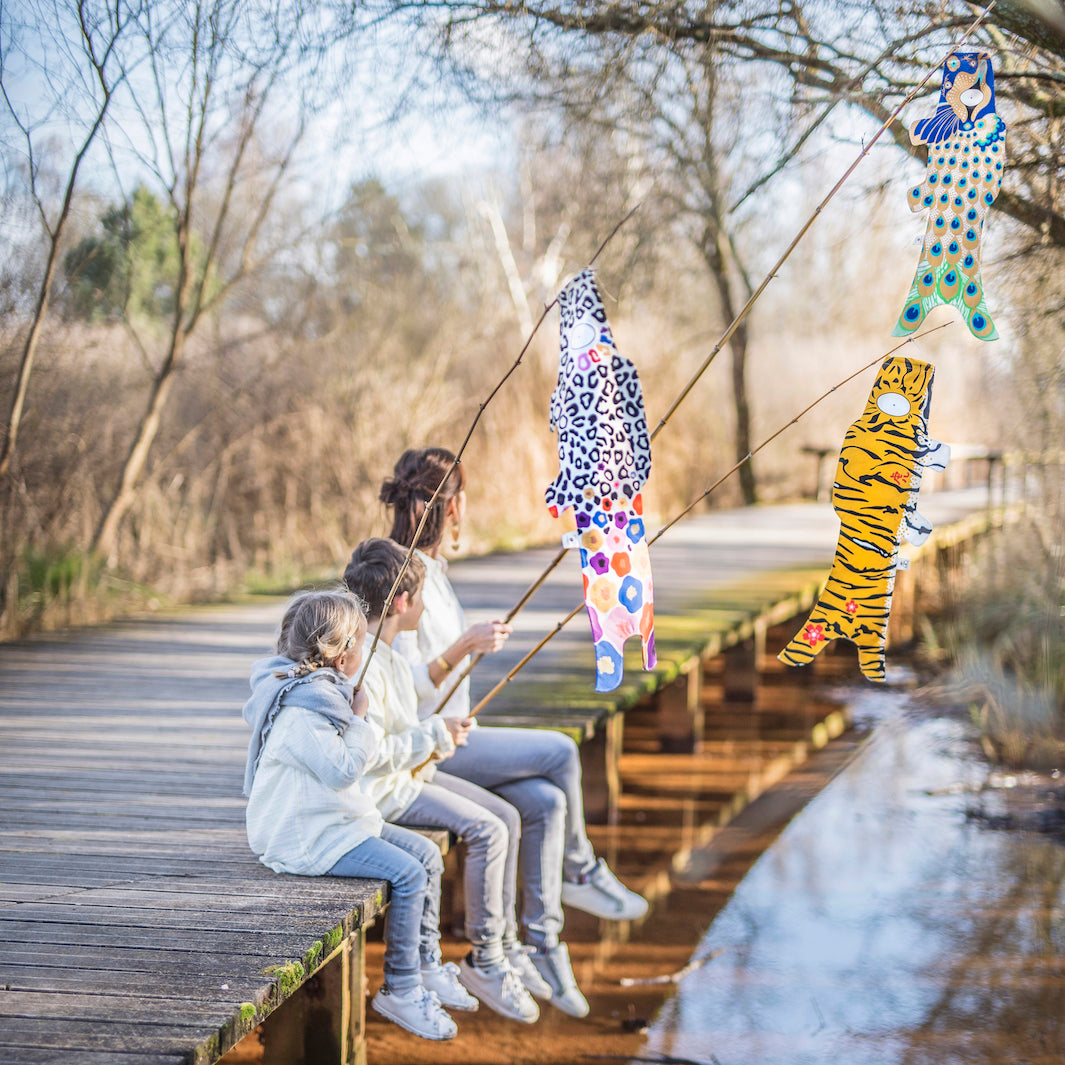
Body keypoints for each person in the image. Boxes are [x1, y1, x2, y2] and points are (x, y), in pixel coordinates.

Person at [379, 446, 649, 1018]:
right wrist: (464, 648)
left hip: (451, 732)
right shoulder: (401, 574)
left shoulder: (434, 572)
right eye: (461, 501)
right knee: (560, 750)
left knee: (547, 801)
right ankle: (578, 870)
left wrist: (471, 647)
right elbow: (397, 687)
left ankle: (541, 942)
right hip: (426, 747)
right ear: (450, 508)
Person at [241, 588, 465, 1041]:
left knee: (427, 856)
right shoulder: (301, 711)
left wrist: (352, 709)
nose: (365, 653)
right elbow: (343, 770)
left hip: (338, 820)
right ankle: (400, 988)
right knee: (407, 875)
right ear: (342, 655)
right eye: (360, 644)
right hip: (306, 838)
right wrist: (361, 719)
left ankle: (423, 965)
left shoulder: (323, 694)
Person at [343, 538, 543, 1024]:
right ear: (402, 603)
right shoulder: (363, 665)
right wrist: (434, 734)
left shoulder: (383, 651)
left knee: (506, 817)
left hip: (407, 778)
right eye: (422, 597)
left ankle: (497, 949)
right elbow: (370, 755)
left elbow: (407, 707)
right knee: (488, 829)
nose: (427, 606)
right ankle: (484, 959)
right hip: (385, 794)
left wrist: (439, 733)